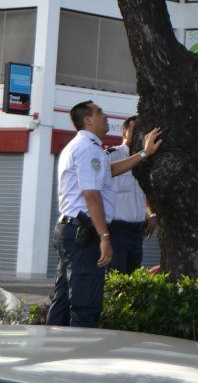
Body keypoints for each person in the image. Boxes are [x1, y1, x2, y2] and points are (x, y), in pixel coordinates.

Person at [47, 101, 162, 328]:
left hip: (72, 229)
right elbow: (91, 195)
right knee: (85, 303)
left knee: (63, 298)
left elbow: (108, 171)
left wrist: (143, 153)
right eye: (99, 112)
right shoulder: (88, 148)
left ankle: (53, 350)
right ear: (88, 120)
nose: (106, 115)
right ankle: (82, 357)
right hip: (84, 232)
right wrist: (105, 237)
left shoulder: (86, 146)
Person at [105, 115, 158, 274]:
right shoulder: (111, 156)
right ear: (124, 133)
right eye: (134, 130)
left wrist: (152, 214)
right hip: (117, 230)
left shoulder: (148, 159)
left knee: (132, 279)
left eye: (141, 131)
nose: (138, 134)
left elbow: (145, 192)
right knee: (116, 279)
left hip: (137, 231)